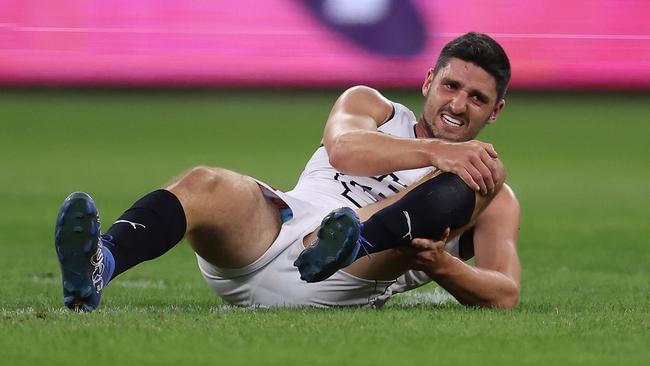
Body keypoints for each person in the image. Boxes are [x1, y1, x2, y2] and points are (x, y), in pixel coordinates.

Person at [54, 32, 520, 312]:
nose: (458, 104)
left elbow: (504, 293)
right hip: (279, 229)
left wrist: (440, 264)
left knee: (483, 171)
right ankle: (101, 263)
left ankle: (352, 240)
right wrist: (437, 151)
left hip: (347, 275)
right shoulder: (371, 105)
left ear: (495, 112)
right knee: (204, 183)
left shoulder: (490, 193)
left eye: (477, 98)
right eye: (450, 85)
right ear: (428, 81)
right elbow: (342, 149)